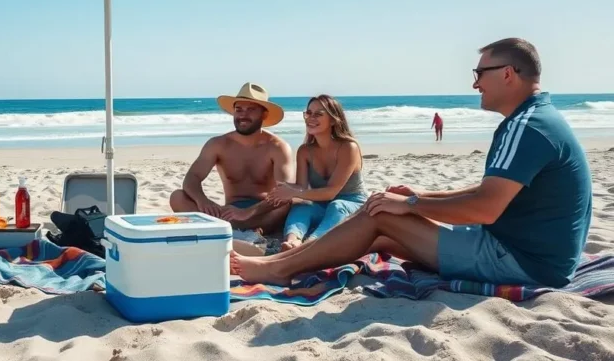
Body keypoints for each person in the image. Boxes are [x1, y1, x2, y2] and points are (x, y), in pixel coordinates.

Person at [230, 38, 592, 289]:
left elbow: (485, 208)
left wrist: (411, 205)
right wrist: (419, 195)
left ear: (508, 73)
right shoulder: (534, 119)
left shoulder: (526, 127)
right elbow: (491, 192)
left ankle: (277, 269)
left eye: (480, 73)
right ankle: (282, 261)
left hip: (521, 261)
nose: (475, 84)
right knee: (381, 230)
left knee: (380, 214)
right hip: (525, 251)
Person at [169, 82, 294, 233]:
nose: (243, 115)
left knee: (287, 204)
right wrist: (203, 200)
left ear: (264, 114)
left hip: (262, 212)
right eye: (238, 109)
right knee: (177, 197)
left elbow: (285, 192)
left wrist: (248, 212)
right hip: (229, 212)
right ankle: (240, 230)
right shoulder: (218, 144)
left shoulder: (277, 147)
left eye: (251, 110)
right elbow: (192, 178)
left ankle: (230, 230)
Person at [271, 95, 368, 251]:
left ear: (333, 120)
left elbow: (330, 192)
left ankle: (311, 244)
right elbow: (302, 188)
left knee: (337, 205)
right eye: (308, 113)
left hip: (352, 203)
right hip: (322, 204)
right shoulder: (304, 151)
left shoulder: (348, 147)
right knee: (302, 206)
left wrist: (293, 192)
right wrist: (282, 189)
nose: (311, 118)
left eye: (318, 114)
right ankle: (292, 242)